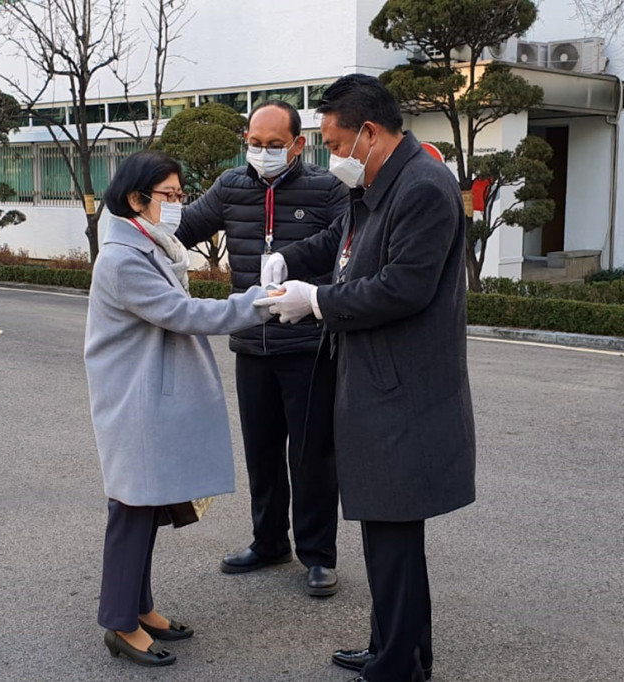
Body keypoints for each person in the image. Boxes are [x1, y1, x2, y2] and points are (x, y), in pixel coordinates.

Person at [257, 75, 476, 682]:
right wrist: (289, 260)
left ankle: (399, 665)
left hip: (404, 393)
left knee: (395, 539)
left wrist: (318, 301)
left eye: (334, 142)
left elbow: (405, 287)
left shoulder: (425, 187)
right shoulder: (380, 181)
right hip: (378, 384)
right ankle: (394, 649)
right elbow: (340, 242)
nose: (333, 157)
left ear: (370, 133)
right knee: (386, 538)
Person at [84, 150, 272, 668]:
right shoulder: (123, 258)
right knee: (132, 508)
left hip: (147, 393)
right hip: (135, 398)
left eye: (179, 195)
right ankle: (119, 623)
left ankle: (139, 607)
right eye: (168, 196)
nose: (177, 204)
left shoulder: (148, 243)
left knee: (146, 505)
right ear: (135, 199)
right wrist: (255, 303)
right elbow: (180, 313)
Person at [176, 100, 350, 596]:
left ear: (298, 144)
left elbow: (348, 247)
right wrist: (142, 212)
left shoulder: (327, 188)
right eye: (254, 144)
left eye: (274, 146)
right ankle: (269, 540)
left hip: (309, 343)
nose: (263, 153)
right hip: (253, 343)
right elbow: (182, 231)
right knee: (262, 451)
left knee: (312, 455)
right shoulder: (231, 186)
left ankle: (318, 556)